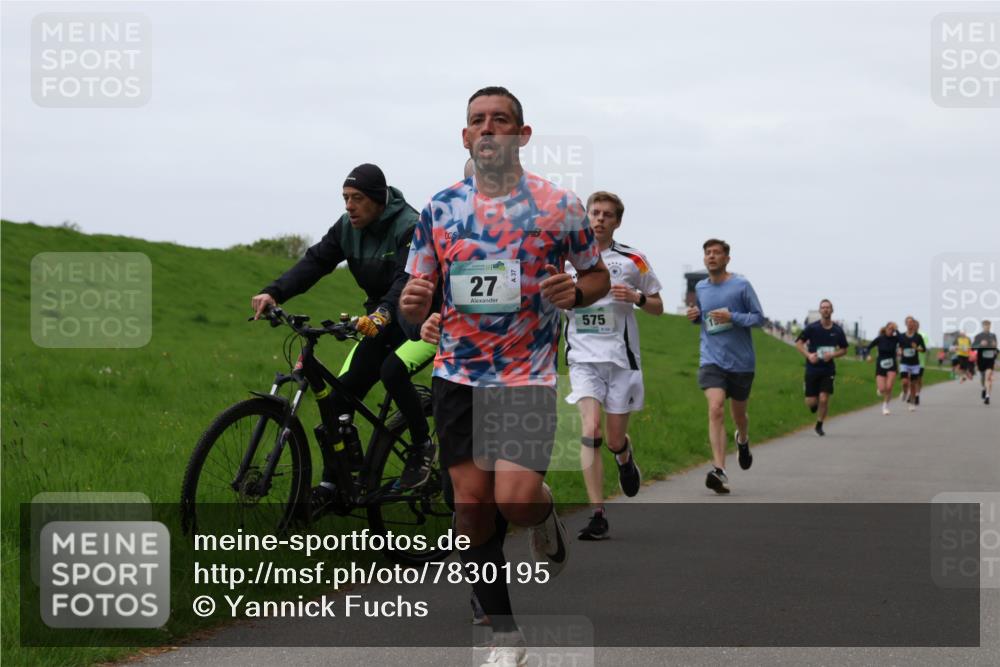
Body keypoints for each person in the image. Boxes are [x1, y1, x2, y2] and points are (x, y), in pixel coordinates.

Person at [400, 86, 610, 666]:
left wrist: (575, 290)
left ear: (522, 134)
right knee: (471, 506)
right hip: (458, 374)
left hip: (525, 373)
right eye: (476, 121)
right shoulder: (439, 208)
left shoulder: (559, 206)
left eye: (500, 120)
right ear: (466, 136)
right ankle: (503, 635)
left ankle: (542, 518)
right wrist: (415, 308)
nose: (488, 129)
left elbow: (595, 279)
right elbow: (415, 300)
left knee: (513, 500)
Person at [250, 163, 438, 513]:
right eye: (345, 198)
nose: (349, 206)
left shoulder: (409, 226)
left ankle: (422, 446)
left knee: (392, 372)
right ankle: (334, 484)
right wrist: (274, 292)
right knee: (338, 401)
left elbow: (405, 280)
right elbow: (316, 261)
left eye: (358, 198)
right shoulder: (346, 228)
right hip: (378, 321)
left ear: (379, 200)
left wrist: (383, 314)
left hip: (421, 321)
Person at [564, 191, 663, 540]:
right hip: (582, 358)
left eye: (608, 214)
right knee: (590, 431)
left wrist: (636, 297)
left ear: (617, 221)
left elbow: (657, 305)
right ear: (586, 217)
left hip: (622, 360)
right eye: (595, 212)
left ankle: (624, 457)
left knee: (613, 438)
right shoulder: (568, 260)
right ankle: (597, 514)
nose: (600, 219)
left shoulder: (633, 259)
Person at [686, 239, 765, 494]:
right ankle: (719, 470)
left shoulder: (741, 285)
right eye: (707, 253)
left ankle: (742, 439)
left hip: (741, 362)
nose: (711, 256)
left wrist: (733, 316)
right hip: (711, 359)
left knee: (739, 416)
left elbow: (759, 318)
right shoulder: (701, 287)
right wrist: (695, 317)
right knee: (716, 407)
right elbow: (704, 318)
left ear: (727, 259)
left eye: (716, 253)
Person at [795, 299, 848, 436]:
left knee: (824, 398)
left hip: (828, 370)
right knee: (812, 403)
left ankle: (819, 424)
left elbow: (844, 350)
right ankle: (813, 401)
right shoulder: (812, 328)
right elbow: (799, 343)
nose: (825, 309)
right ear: (820, 311)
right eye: (823, 307)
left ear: (832, 310)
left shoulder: (837, 330)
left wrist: (833, 355)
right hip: (812, 369)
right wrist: (808, 355)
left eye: (828, 307)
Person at [866, 322, 902, 415]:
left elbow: (903, 340)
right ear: (885, 329)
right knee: (882, 389)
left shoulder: (895, 339)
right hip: (880, 365)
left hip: (892, 365)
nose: (891, 331)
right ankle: (880, 390)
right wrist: (868, 355)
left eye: (892, 329)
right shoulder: (880, 339)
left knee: (889, 387)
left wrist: (897, 330)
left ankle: (885, 406)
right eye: (889, 328)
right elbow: (868, 347)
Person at [898, 316, 927, 411]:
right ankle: (904, 392)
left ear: (913, 324)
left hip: (915, 364)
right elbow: (899, 346)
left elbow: (923, 349)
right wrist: (899, 350)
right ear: (906, 324)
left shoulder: (918, 337)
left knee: (913, 384)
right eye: (908, 322)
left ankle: (912, 403)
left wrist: (917, 348)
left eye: (912, 322)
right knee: (904, 382)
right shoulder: (901, 336)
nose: (910, 324)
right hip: (904, 363)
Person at [972, 320, 997, 405]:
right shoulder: (978, 336)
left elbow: (995, 347)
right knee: (983, 378)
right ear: (983, 326)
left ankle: (987, 396)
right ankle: (984, 388)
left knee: (988, 377)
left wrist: (994, 345)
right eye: (985, 325)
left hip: (990, 359)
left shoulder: (993, 335)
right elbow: (973, 347)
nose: (987, 327)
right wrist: (980, 344)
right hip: (981, 360)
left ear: (990, 326)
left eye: (989, 325)